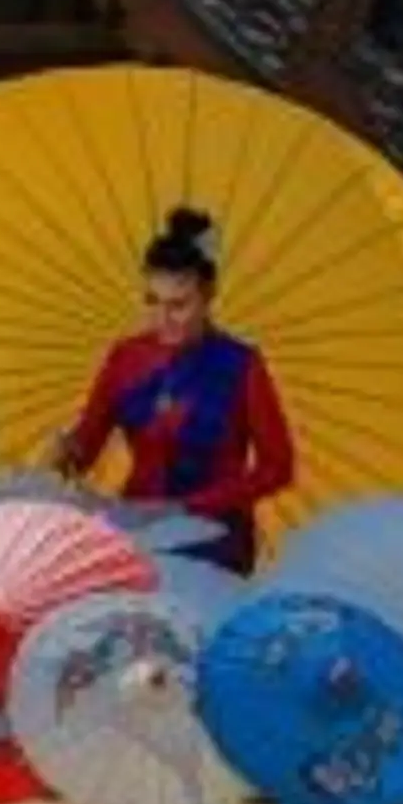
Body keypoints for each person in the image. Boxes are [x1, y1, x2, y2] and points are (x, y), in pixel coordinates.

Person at [51, 207, 295, 574]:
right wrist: (68, 450)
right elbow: (85, 452)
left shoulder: (242, 364)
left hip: (214, 535)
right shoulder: (125, 357)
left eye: (179, 305)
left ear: (209, 293)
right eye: (152, 302)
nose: (162, 319)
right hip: (135, 523)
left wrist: (190, 507)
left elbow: (277, 467)